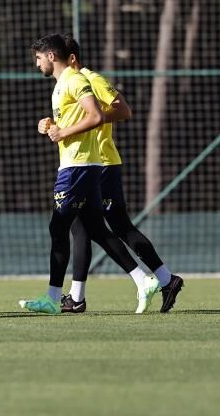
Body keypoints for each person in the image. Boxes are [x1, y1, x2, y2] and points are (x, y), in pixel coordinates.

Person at [20, 35, 148, 314]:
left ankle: (53, 298)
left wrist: (62, 132)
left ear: (51, 56)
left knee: (58, 228)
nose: (37, 64)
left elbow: (96, 116)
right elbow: (76, 120)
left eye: (39, 58)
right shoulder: (61, 84)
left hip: (77, 167)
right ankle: (143, 279)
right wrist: (50, 125)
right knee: (95, 229)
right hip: (82, 164)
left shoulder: (75, 80)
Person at [60, 36, 183, 314]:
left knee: (84, 226)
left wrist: (94, 117)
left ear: (72, 59)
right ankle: (166, 279)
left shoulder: (90, 79)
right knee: (110, 227)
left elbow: (123, 110)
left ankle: (80, 297)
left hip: (101, 164)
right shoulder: (68, 84)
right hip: (95, 164)